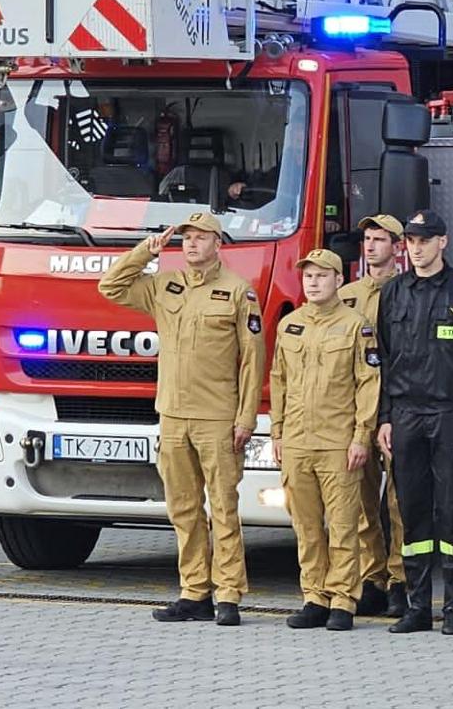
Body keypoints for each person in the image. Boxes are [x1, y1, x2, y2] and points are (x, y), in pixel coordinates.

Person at [97, 211, 263, 627]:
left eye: (201, 237)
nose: (191, 244)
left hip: (217, 417)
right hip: (172, 414)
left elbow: (252, 361)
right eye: (186, 237)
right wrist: (144, 251)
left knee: (223, 508)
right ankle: (194, 592)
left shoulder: (237, 292)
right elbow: (110, 287)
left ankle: (228, 595)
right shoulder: (164, 285)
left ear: (218, 244)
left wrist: (246, 417)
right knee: (183, 509)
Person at [375, 209, 453, 635]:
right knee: (413, 513)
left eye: (425, 240)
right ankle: (418, 606)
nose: (416, 248)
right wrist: (385, 417)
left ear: (442, 242)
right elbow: (384, 360)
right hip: (405, 414)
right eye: (411, 240)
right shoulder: (394, 293)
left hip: (450, 414)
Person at [271, 249, 381, 633]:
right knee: (306, 527)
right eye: (308, 277)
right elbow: (279, 380)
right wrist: (278, 432)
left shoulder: (356, 325)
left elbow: (368, 383)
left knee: (343, 525)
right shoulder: (291, 325)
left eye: (321, 276)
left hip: (338, 442)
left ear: (338, 280)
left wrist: (360, 437)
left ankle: (343, 600)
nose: (313, 283)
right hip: (298, 442)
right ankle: (314, 596)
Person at [339, 214, 409, 618]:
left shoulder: (404, 292)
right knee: (362, 500)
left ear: (396, 247)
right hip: (356, 411)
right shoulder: (346, 294)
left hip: (396, 407)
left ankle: (400, 578)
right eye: (367, 239)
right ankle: (372, 577)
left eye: (380, 240)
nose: (371, 246)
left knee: (399, 501)